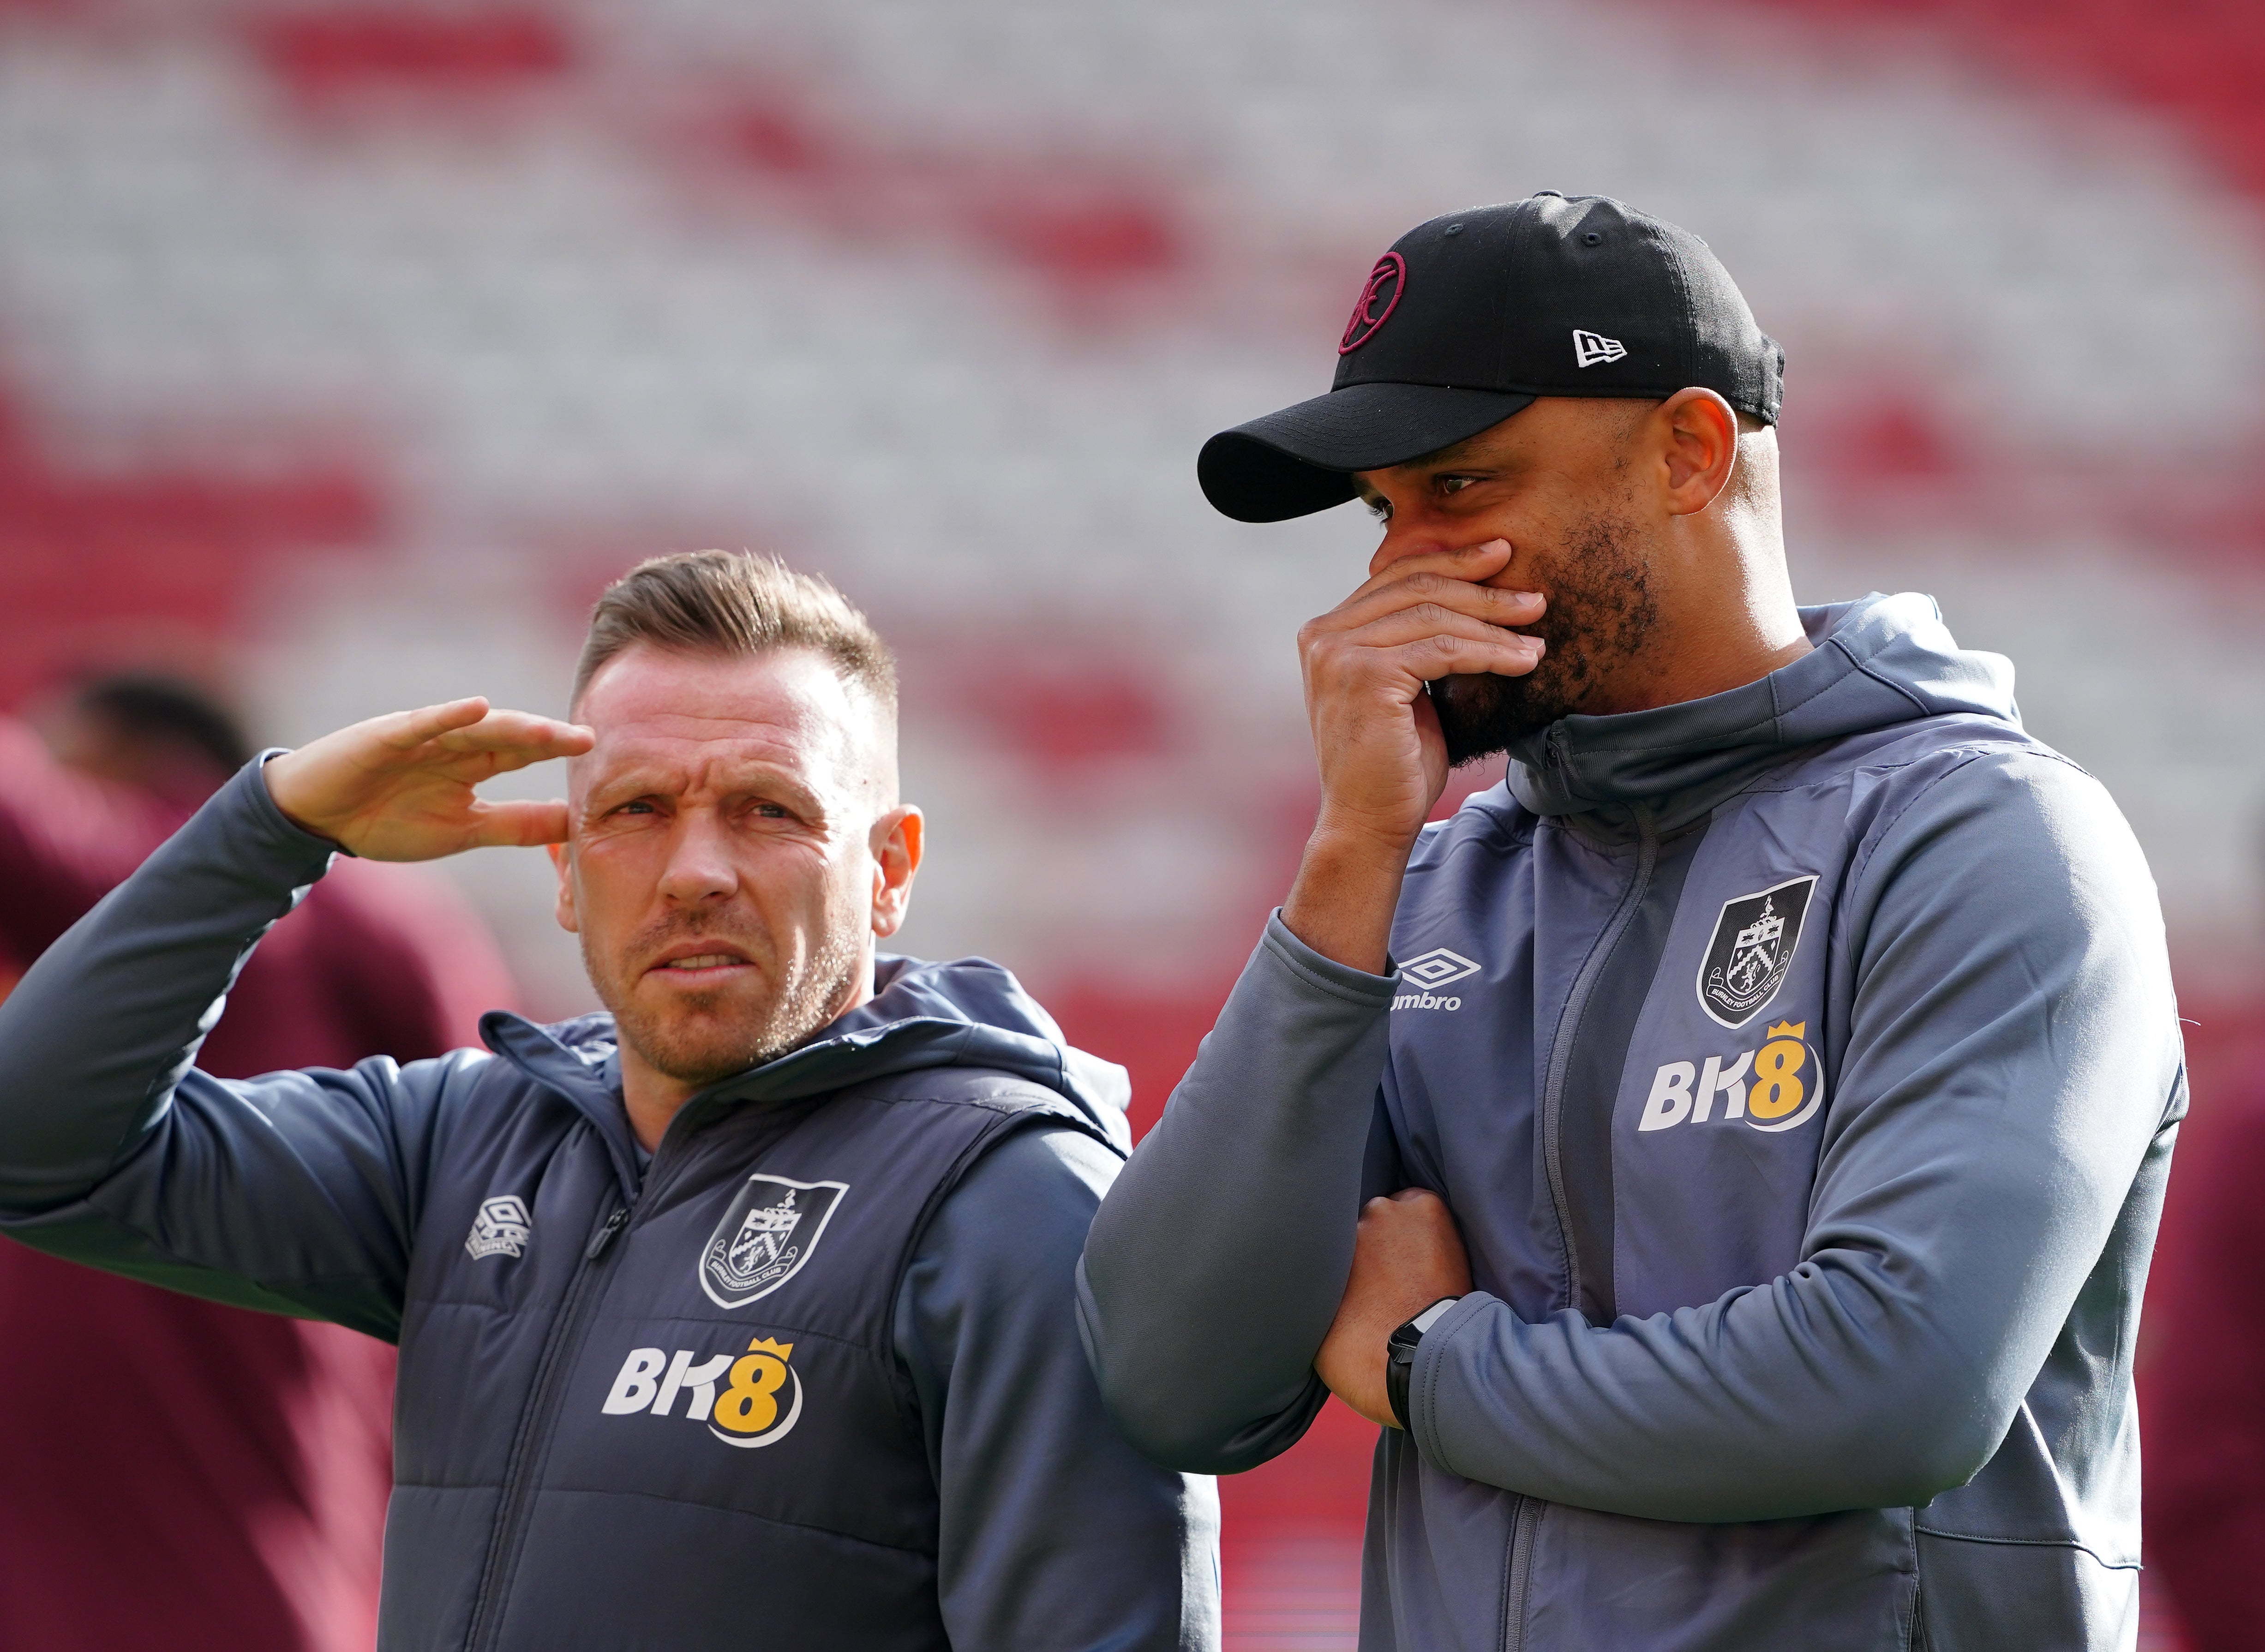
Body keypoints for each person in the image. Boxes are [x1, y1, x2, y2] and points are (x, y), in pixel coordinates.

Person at [1077, 194, 2182, 1648]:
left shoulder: (1983, 841)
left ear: (1687, 452)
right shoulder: (1428, 883)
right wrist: (1352, 847)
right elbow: (1173, 1377)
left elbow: (1892, 1383)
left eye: (1461, 488)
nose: (1395, 574)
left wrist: (1429, 1362)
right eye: (1383, 514)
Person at [0, 553, 1217, 1651]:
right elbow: (41, 1148)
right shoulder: (463, 1139)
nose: (694, 870)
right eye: (636, 810)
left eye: (768, 809)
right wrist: (270, 835)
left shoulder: (1011, 1198)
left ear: (887, 868)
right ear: (566, 874)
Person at [0, 672, 515, 1652]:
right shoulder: (399, 921)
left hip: (155, 1545)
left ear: (118, 760)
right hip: (307, 1505)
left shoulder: (152, 880)